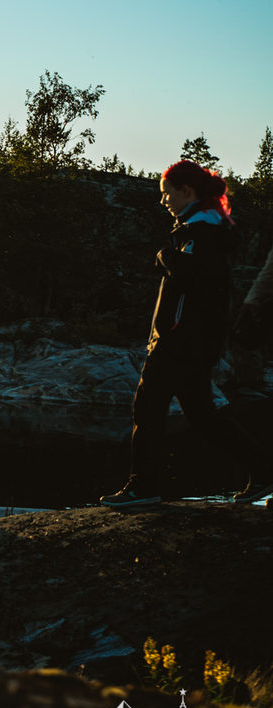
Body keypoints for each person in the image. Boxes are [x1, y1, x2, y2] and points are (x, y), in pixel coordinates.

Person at [101, 159, 271, 507]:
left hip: (181, 341)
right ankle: (265, 473)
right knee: (203, 416)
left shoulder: (200, 231)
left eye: (167, 194)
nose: (163, 201)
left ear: (186, 191)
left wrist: (165, 257)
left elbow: (197, 282)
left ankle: (142, 489)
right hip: (193, 340)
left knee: (147, 409)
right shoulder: (201, 228)